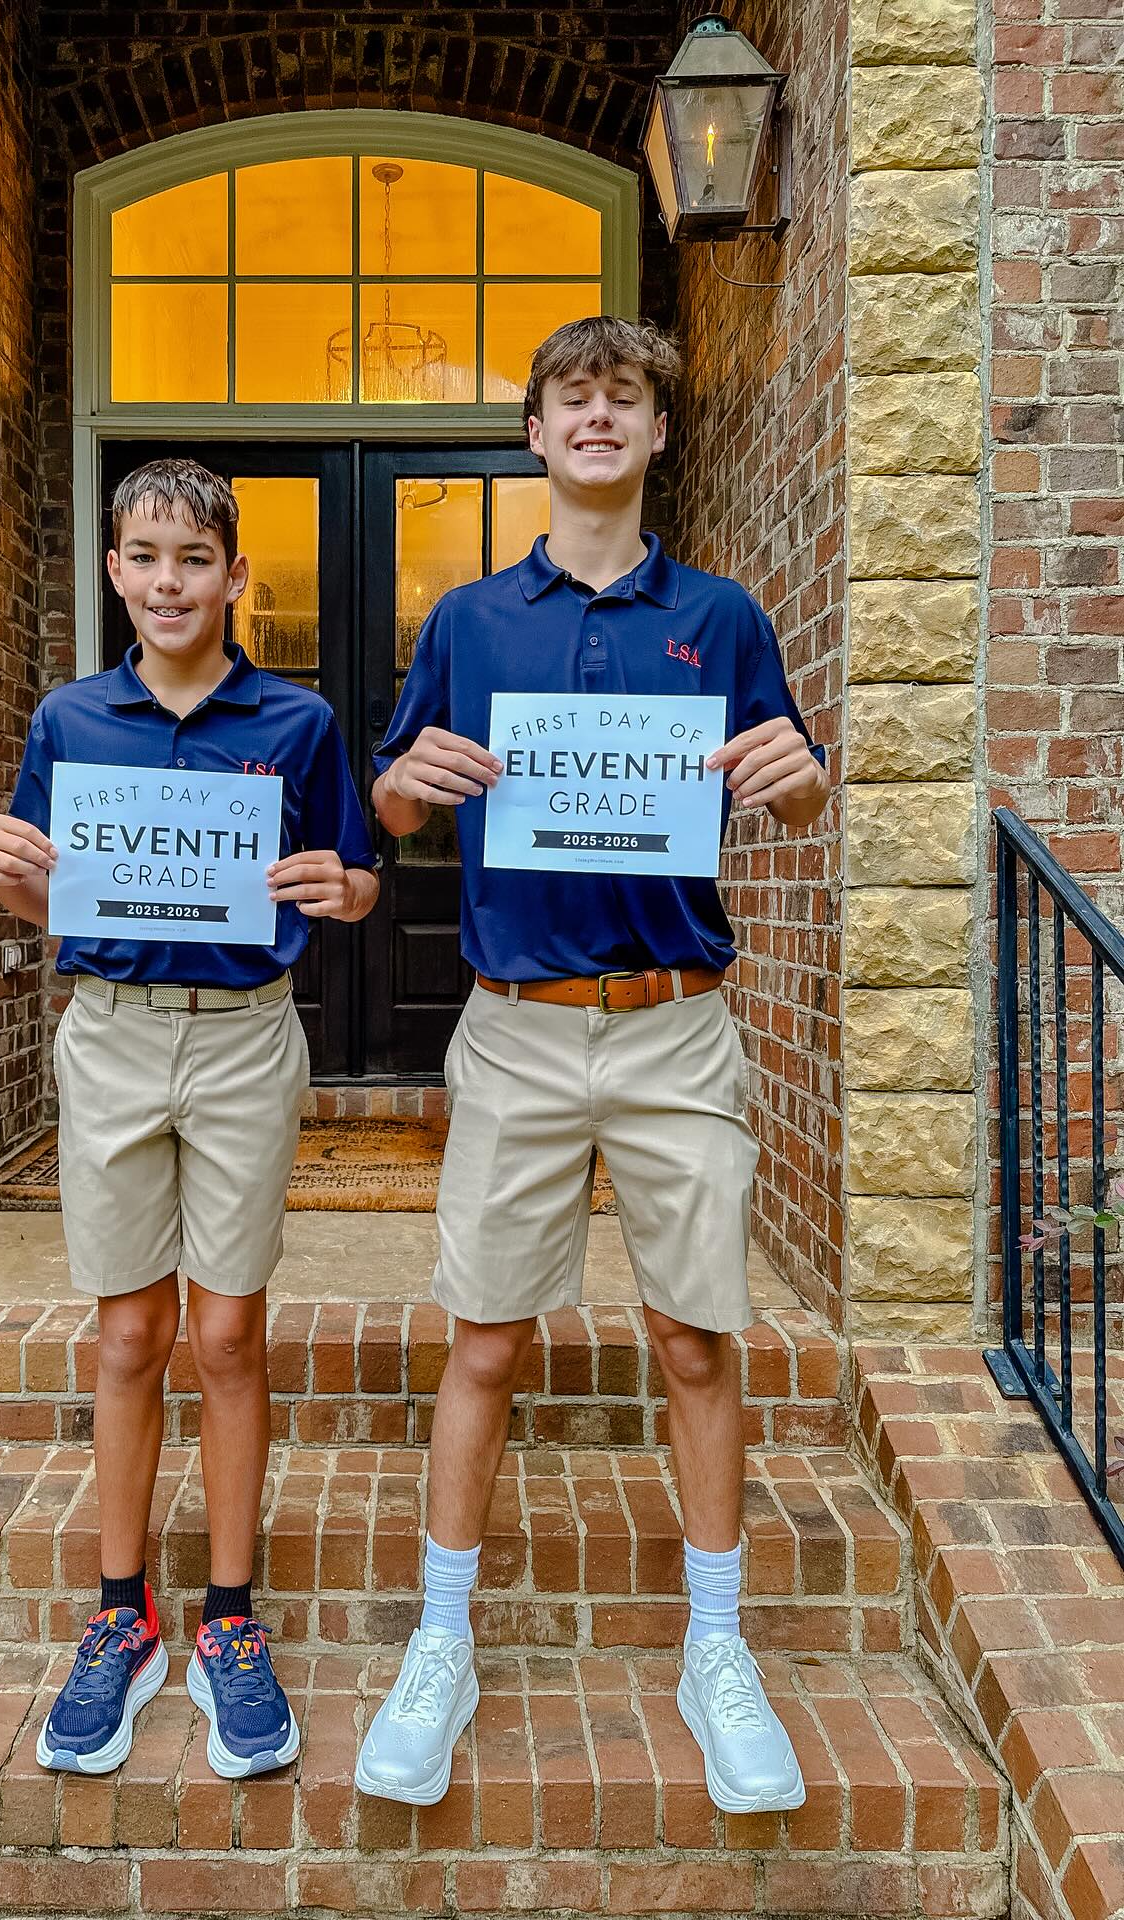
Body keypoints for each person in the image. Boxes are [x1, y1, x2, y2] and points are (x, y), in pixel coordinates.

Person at [356, 315, 830, 1815]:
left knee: (696, 1337)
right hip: (518, 1025)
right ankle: (443, 1640)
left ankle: (716, 1646)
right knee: (487, 1336)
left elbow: (794, 792)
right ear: (538, 433)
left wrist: (802, 778)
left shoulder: (724, 616)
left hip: (677, 1021)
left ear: (658, 433)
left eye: (627, 397)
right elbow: (389, 806)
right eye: (575, 396)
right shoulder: (469, 619)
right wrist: (406, 783)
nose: (601, 416)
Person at [0, 458, 378, 1779]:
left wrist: (348, 891)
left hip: (246, 1036)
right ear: (114, 571)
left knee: (230, 1331)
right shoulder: (71, 720)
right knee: (130, 1332)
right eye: (144, 556)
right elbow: (57, 899)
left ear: (235, 575)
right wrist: (3, 874)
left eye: (194, 558)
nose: (168, 581)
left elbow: (354, 877)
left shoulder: (298, 722)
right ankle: (121, 1613)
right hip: (114, 1034)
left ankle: (231, 1618)